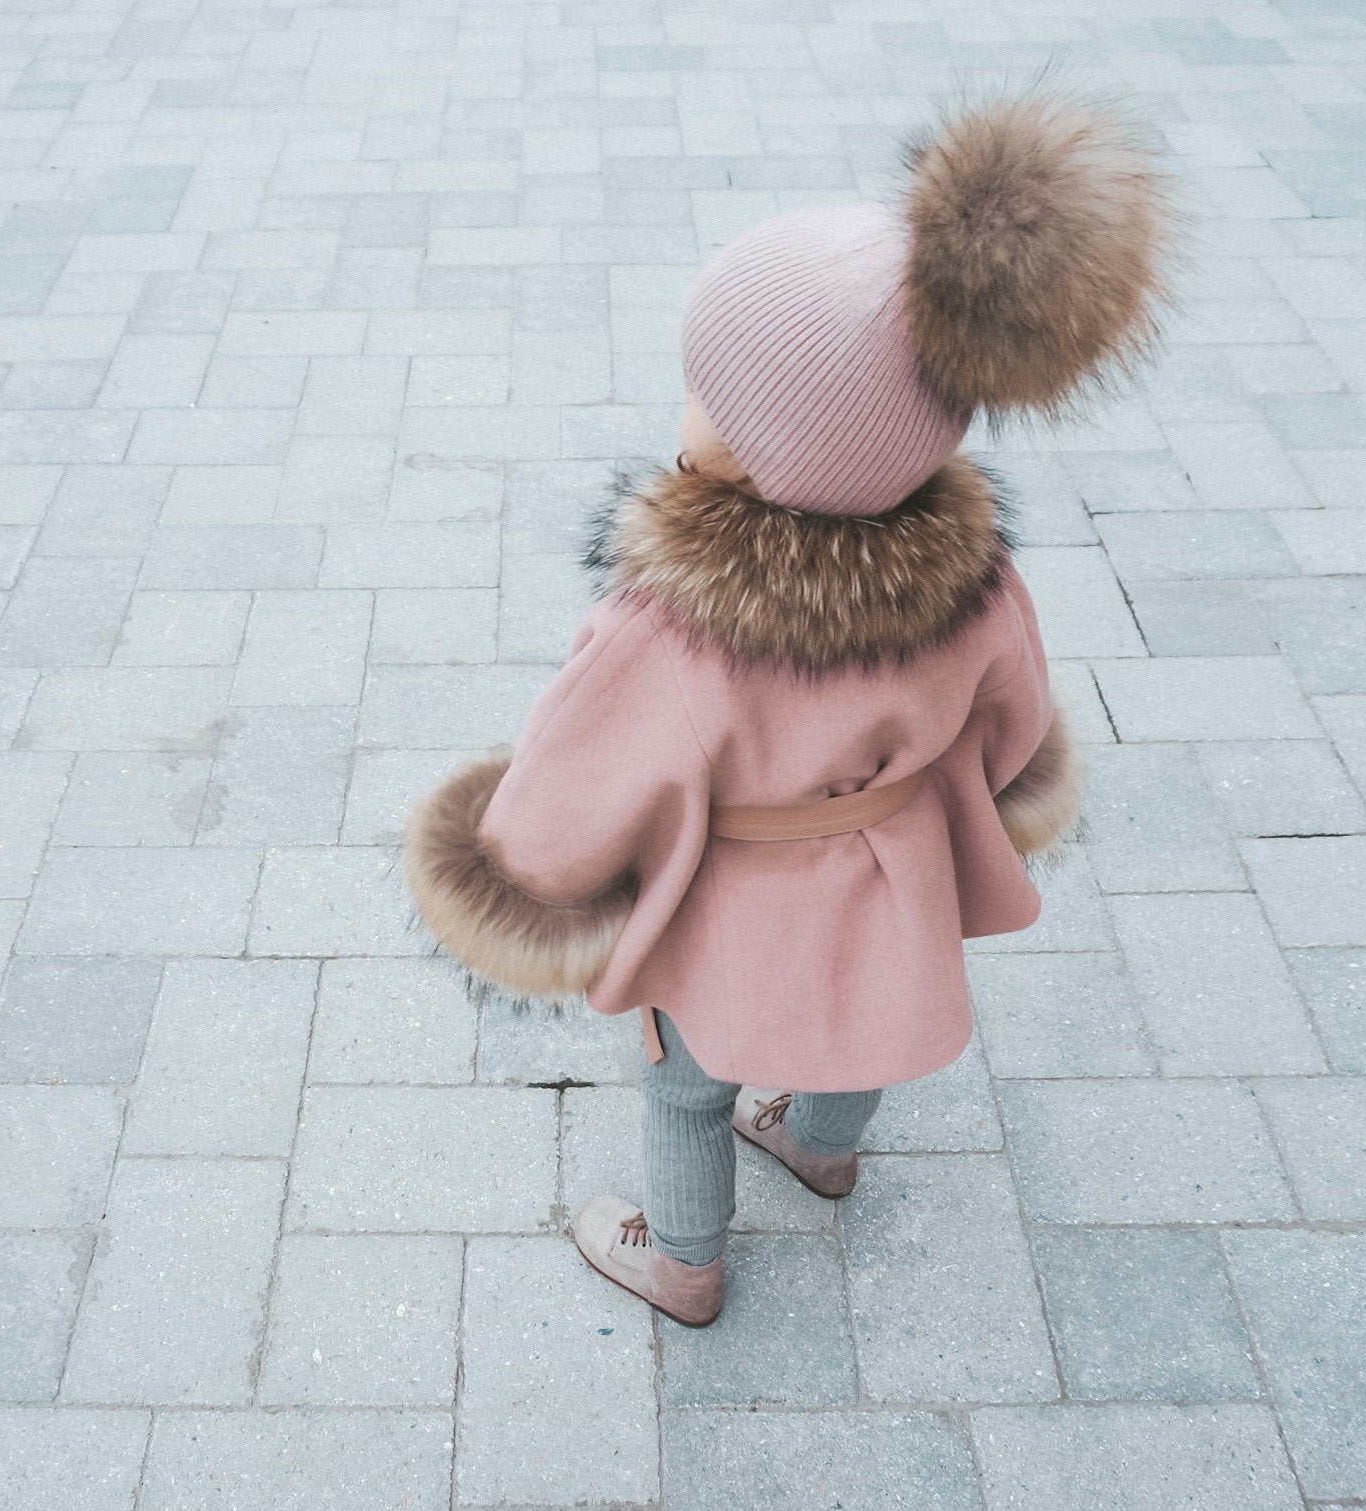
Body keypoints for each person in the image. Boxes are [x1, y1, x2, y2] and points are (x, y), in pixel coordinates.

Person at [407, 91, 1176, 1326]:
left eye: (708, 395)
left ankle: (683, 1263)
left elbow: (580, 773)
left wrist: (523, 862)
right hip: (889, 881)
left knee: (685, 1089)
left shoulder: (674, 625)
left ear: (783, 449)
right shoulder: (978, 582)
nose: (685, 408)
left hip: (729, 910)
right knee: (865, 1018)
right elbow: (1013, 722)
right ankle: (820, 1145)